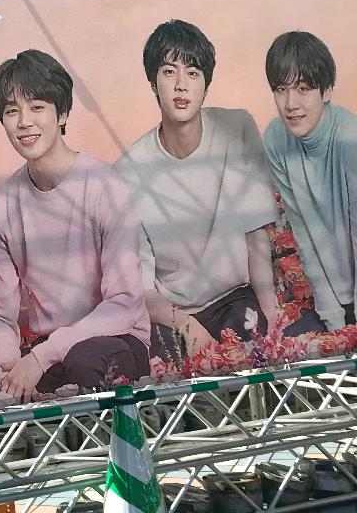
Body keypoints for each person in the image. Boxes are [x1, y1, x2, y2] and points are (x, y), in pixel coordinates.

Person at [0, 50, 151, 402]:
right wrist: (8, 368)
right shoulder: (0, 204)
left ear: (63, 112)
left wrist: (41, 357)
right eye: (12, 111)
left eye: (37, 107)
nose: (24, 122)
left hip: (117, 338)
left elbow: (124, 303)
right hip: (46, 348)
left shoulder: (106, 187)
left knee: (84, 363)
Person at [114, 20, 281, 356]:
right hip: (172, 313)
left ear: (206, 85)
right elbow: (142, 289)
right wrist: (186, 326)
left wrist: (272, 311)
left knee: (255, 347)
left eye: (192, 73)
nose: (181, 85)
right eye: (169, 72)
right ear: (153, 82)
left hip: (235, 296)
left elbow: (256, 238)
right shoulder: (126, 172)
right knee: (160, 365)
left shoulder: (236, 129)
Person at [263, 31, 357, 331]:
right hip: (333, 295)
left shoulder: (350, 138)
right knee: (280, 351)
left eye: (303, 88)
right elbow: (302, 228)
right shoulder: (276, 138)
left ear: (326, 91)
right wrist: (332, 316)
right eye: (281, 89)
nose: (291, 103)